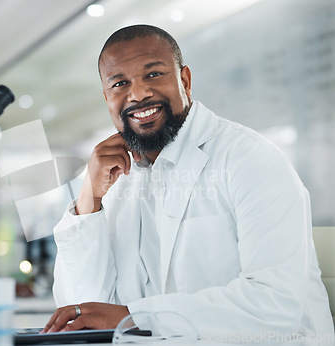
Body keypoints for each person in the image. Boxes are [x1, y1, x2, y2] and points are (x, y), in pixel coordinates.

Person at [42, 24, 334, 342]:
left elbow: (275, 307)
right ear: (107, 98)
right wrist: (89, 201)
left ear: (185, 81)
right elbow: (84, 312)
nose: (137, 94)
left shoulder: (249, 159)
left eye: (152, 74)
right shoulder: (116, 182)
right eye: (120, 83)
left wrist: (135, 317)